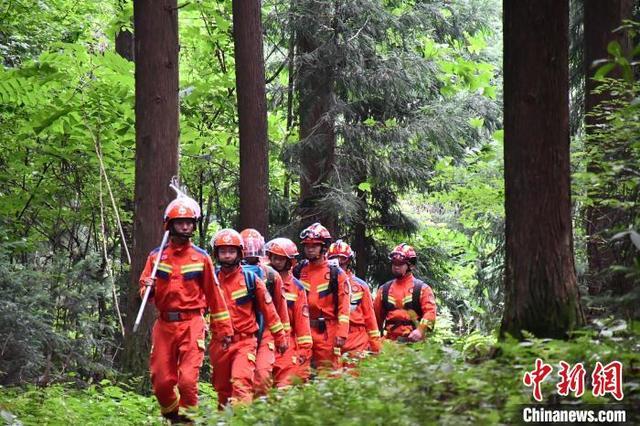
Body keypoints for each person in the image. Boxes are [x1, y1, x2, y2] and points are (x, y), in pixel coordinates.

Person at [139, 197, 233, 423]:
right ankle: (173, 416)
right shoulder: (156, 256)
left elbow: (214, 296)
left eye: (189, 222)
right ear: (169, 224)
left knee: (188, 382)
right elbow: (145, 292)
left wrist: (225, 329)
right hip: (164, 325)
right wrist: (147, 288)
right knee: (161, 382)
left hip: (192, 324)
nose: (185, 226)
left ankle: (189, 420)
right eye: (180, 222)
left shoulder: (201, 258)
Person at [209, 229, 287, 408]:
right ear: (217, 254)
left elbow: (270, 311)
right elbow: (197, 304)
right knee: (222, 389)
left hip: (245, 342)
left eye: (231, 251)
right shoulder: (211, 280)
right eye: (223, 251)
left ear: (239, 253)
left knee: (241, 384)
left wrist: (281, 337)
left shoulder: (252, 279)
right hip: (219, 343)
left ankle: (243, 420)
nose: (227, 255)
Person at [239, 228, 291, 397]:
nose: (250, 255)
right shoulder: (229, 274)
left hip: (266, 331)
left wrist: (283, 337)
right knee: (238, 380)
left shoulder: (271, 275)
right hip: (241, 332)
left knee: (262, 378)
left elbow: (280, 308)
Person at [294, 223, 350, 371]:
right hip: (303, 329)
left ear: (324, 247)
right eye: (307, 245)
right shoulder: (299, 270)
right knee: (299, 373)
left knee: (328, 373)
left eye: (314, 245)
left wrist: (342, 332)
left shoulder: (336, 274)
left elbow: (344, 307)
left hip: (327, 332)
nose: (310, 249)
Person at [264, 237, 313, 387]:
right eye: (274, 257)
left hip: (286, 341)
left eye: (281, 259)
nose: (277, 261)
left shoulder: (297, 288)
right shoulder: (261, 280)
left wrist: (304, 351)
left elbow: (302, 321)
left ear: (289, 261)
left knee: (283, 386)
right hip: (264, 338)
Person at [327, 240, 380, 363]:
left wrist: (376, 346)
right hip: (331, 338)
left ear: (349, 261)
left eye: (342, 260)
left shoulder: (360, 286)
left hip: (357, 340)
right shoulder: (322, 283)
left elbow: (370, 318)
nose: (338, 264)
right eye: (334, 259)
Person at [373, 243, 436, 342]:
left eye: (400, 263)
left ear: (410, 265)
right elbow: (375, 319)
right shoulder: (384, 290)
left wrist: (420, 330)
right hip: (389, 344)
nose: (396, 267)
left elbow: (430, 312)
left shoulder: (422, 289)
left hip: (414, 345)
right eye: (394, 263)